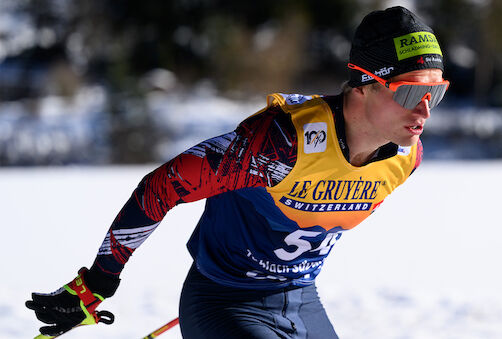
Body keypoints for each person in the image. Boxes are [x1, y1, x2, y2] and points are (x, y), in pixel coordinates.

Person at [26, 6, 449, 339]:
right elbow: (162, 186)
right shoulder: (280, 144)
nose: (425, 109)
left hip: (300, 301)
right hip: (222, 300)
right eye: (412, 90)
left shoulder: (403, 160)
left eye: (437, 91)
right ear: (362, 83)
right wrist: (99, 281)